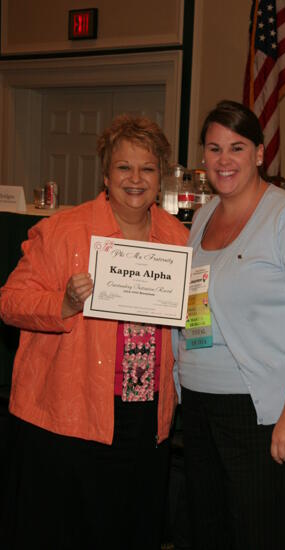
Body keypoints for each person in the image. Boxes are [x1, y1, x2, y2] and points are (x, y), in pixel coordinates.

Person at [0, 114, 188, 550]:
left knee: (131, 527)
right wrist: (63, 304)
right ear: (106, 174)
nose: (136, 179)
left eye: (147, 168)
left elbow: (187, 323)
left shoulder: (177, 238)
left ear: (161, 176)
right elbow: (9, 302)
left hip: (145, 417)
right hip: (69, 416)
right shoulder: (64, 231)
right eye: (124, 167)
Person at [175, 100, 285, 550]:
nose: (224, 160)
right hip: (202, 406)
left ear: (261, 154)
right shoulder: (204, 215)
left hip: (264, 411)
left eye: (237, 147)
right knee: (210, 533)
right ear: (203, 158)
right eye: (213, 148)